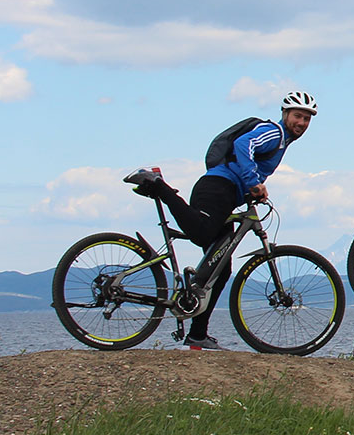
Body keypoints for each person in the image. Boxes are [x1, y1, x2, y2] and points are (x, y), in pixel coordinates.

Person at [123, 91, 318, 350]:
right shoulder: (275, 132)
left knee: (220, 269)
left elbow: (246, 161)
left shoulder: (282, 143)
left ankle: (197, 335)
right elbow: (242, 146)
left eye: (306, 119)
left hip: (227, 195)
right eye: (298, 116)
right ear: (285, 114)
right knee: (202, 233)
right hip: (217, 188)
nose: (302, 123)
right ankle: (159, 185)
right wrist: (253, 182)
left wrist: (251, 191)